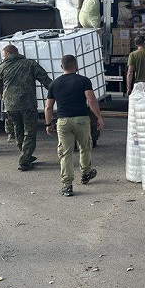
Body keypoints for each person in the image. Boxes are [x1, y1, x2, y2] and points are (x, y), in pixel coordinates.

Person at [44, 54, 104, 197]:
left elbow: (48, 107)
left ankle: (67, 186)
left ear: (61, 67)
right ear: (76, 66)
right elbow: (91, 100)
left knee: (66, 154)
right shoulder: (83, 81)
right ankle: (86, 173)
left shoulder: (54, 83)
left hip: (63, 121)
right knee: (85, 147)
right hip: (81, 120)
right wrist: (99, 117)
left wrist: (48, 123)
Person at [0, 45, 52, 171]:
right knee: (29, 132)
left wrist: (4, 95)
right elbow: (44, 79)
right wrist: (56, 91)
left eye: (4, 55)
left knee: (18, 130)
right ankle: (24, 160)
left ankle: (25, 154)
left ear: (9, 53)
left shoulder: (2, 67)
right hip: (28, 104)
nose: (3, 58)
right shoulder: (30, 64)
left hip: (11, 106)